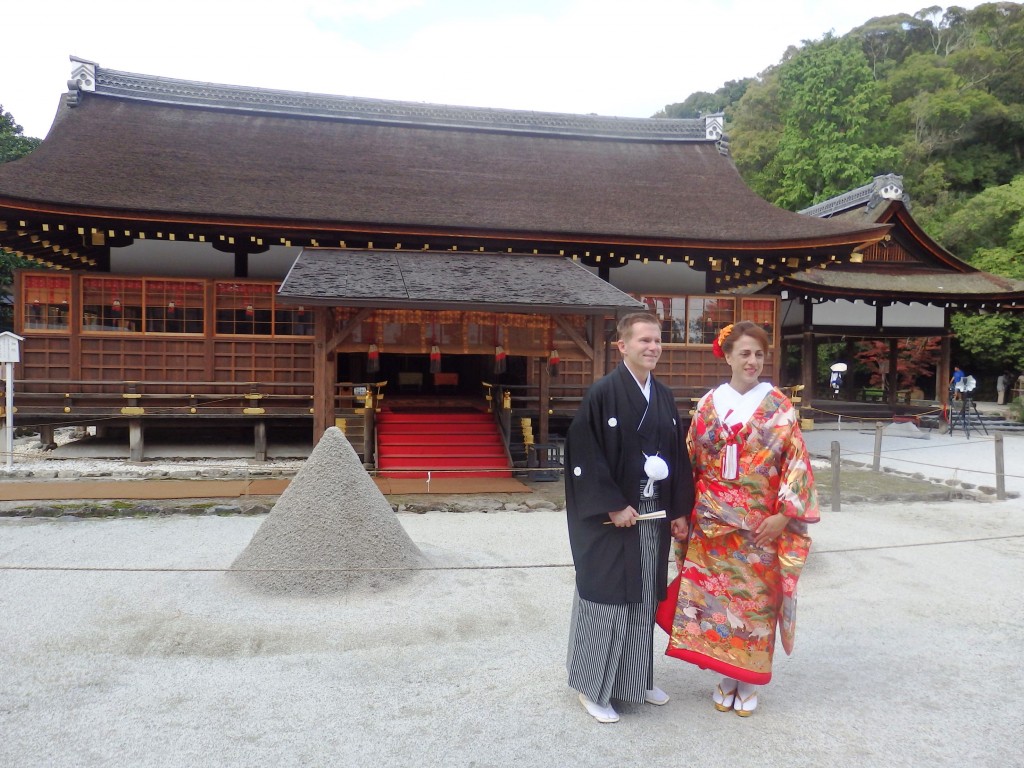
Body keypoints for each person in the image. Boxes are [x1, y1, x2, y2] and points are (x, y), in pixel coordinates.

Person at [660, 321, 819, 717]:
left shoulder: (780, 407)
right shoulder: (708, 404)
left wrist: (784, 516)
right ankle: (725, 675)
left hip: (760, 526)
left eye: (759, 354)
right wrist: (681, 511)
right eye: (744, 353)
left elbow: (796, 463)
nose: (752, 361)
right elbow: (689, 461)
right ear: (727, 355)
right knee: (715, 602)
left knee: (755, 605)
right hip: (712, 523)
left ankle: (748, 679)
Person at [565, 312, 694, 724]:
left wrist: (678, 512)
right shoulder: (602, 393)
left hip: (653, 515)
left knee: (642, 597)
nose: (653, 347)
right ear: (622, 346)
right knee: (606, 597)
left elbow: (677, 455)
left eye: (657, 341)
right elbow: (584, 454)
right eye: (644, 341)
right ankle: (592, 686)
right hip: (615, 515)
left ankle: (635, 681)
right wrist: (612, 504)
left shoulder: (663, 396)